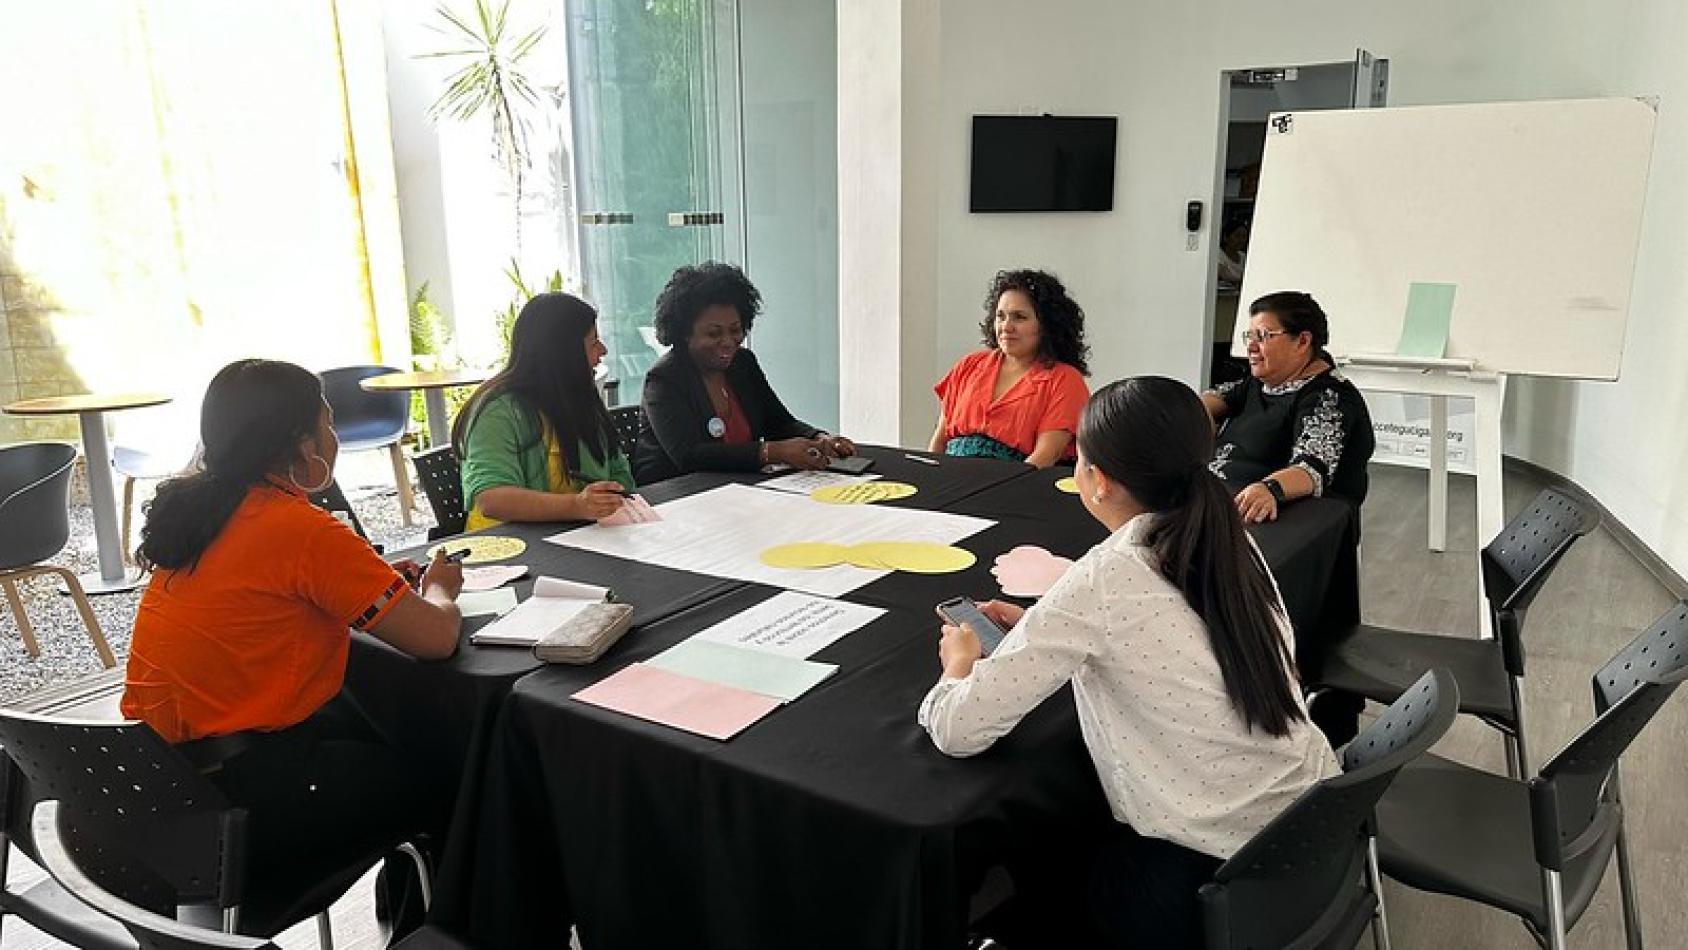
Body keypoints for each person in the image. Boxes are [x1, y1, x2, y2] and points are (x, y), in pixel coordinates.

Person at [918, 376, 1337, 948]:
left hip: (1206, 878)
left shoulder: (1106, 579)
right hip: (1310, 838)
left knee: (1038, 867)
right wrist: (1044, 624)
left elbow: (958, 729)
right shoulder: (1228, 537)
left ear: (1099, 480)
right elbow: (1157, 626)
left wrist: (958, 666)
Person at [122, 358, 463, 935]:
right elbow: (436, 638)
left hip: (160, 792)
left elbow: (263, 601)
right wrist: (438, 589)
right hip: (253, 804)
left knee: (376, 730)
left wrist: (370, 581)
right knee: (457, 773)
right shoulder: (301, 529)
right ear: (301, 442)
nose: (334, 439)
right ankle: (442, 931)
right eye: (328, 424)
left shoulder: (200, 513)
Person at [634, 262, 855, 483]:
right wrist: (771, 452)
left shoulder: (743, 363)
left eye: (735, 330)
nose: (728, 342)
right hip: (675, 496)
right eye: (713, 333)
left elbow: (778, 422)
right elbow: (689, 456)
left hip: (740, 487)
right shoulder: (664, 379)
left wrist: (819, 438)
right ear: (684, 334)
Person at [454, 292, 633, 529]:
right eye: (592, 343)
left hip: (582, 537)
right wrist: (578, 505)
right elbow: (491, 499)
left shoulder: (580, 398)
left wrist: (612, 495)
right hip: (510, 550)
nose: (603, 350)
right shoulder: (498, 411)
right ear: (562, 355)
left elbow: (620, 473)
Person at [1203, 290, 1374, 522]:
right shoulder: (1263, 381)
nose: (1251, 347)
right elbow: (1215, 399)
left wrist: (1269, 489)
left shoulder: (1331, 398)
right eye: (1249, 337)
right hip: (1216, 500)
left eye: (1262, 336)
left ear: (1303, 341)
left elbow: (1311, 469)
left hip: (1278, 519)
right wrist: (1197, 417)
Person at [929, 268, 1091, 467]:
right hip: (949, 485)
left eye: (1019, 317)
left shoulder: (1065, 380)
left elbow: (1045, 456)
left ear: (1047, 325)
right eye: (1000, 316)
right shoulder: (969, 365)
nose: (1006, 326)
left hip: (1017, 489)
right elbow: (939, 441)